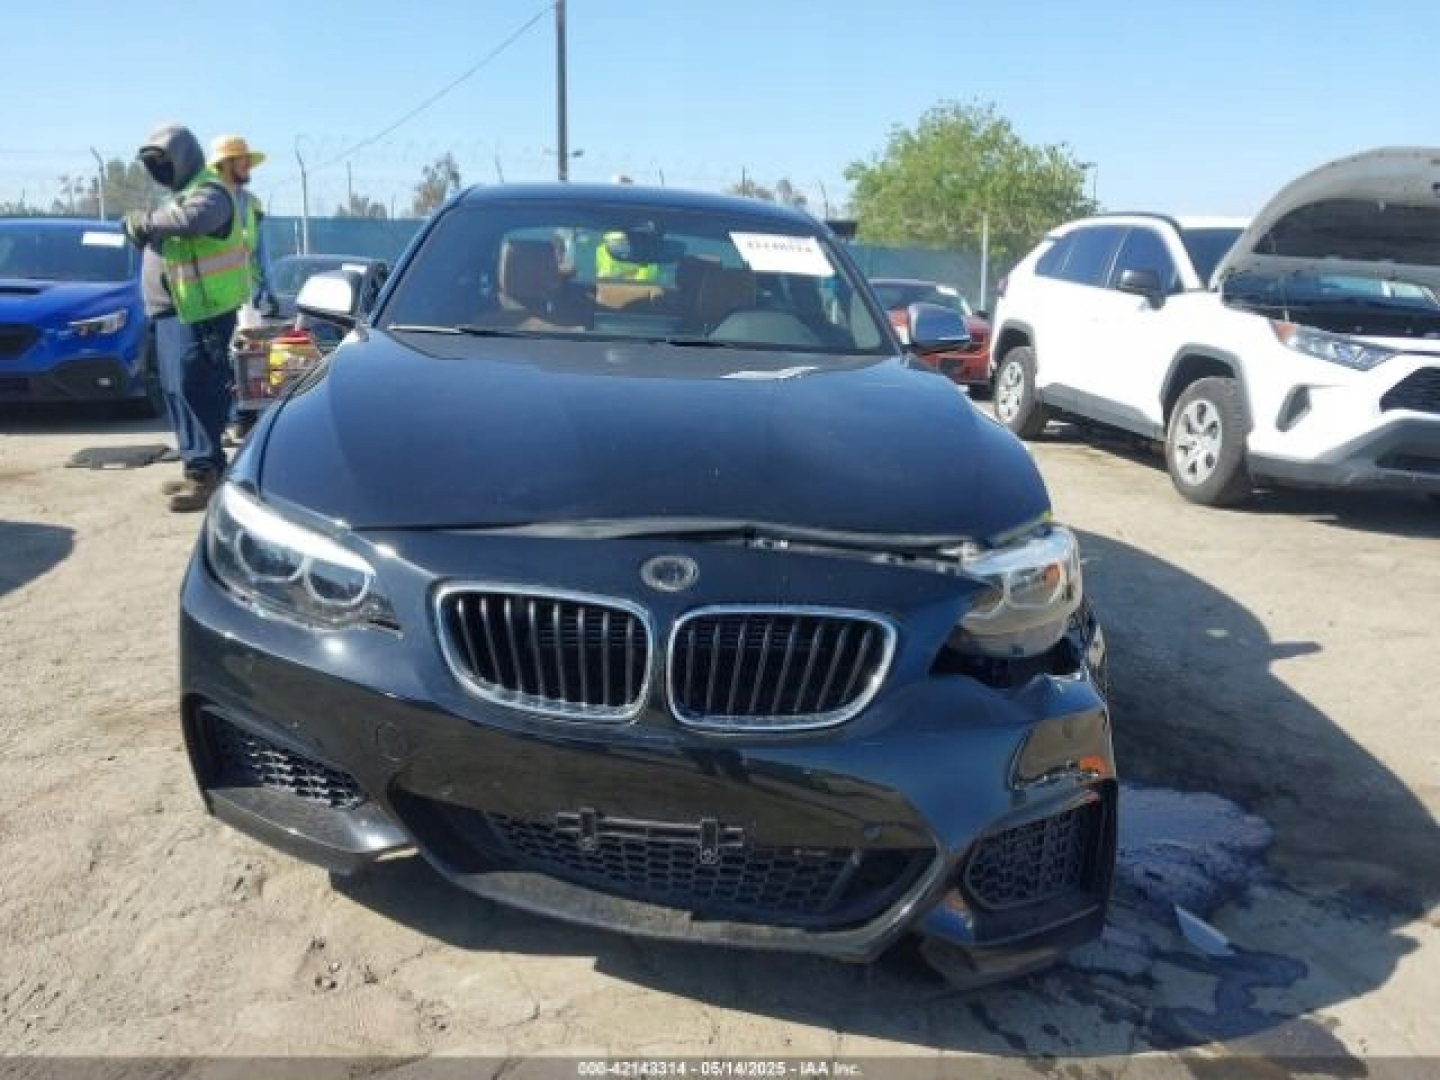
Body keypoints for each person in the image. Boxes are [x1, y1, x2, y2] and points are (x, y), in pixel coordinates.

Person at [122, 123, 249, 512]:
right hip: (171, 310)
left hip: (201, 311)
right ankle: (197, 464)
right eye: (153, 166)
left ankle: (206, 473)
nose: (159, 172)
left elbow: (191, 221)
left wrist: (146, 222)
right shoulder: (179, 196)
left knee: (197, 388)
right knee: (177, 390)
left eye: (164, 163)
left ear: (184, 157)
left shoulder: (210, 192)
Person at [208, 134, 278, 316]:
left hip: (249, 301)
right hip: (214, 305)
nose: (248, 164)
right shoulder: (205, 204)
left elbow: (262, 253)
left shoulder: (252, 204)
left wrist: (270, 291)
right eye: (242, 159)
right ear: (225, 164)